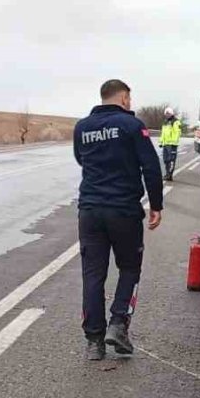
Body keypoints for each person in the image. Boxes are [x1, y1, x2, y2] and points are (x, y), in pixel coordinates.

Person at [73, 79, 164, 360]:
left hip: (89, 211)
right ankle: (118, 323)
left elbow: (80, 159)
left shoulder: (82, 127)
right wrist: (156, 205)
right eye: (129, 98)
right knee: (129, 268)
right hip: (123, 210)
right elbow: (150, 166)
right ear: (123, 98)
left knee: (93, 275)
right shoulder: (132, 126)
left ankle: (94, 342)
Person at [159, 107, 182, 181]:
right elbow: (163, 133)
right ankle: (167, 173)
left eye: (168, 113)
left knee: (171, 160)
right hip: (165, 144)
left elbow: (177, 133)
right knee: (165, 160)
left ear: (171, 113)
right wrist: (161, 142)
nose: (166, 115)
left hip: (172, 145)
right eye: (166, 113)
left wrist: (174, 143)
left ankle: (170, 175)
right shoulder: (165, 122)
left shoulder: (175, 122)